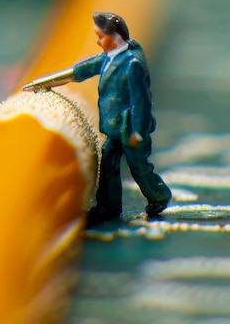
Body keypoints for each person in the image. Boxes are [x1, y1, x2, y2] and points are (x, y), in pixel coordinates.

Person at [23, 12, 171, 225]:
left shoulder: (132, 64)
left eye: (101, 36)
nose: (97, 41)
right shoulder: (107, 59)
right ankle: (109, 207)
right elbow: (79, 71)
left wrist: (139, 131)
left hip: (129, 128)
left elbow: (141, 101)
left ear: (116, 36)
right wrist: (44, 83)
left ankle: (158, 196)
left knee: (138, 166)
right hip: (113, 128)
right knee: (109, 162)